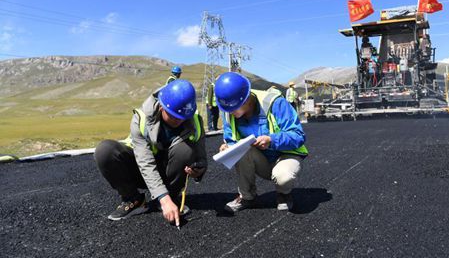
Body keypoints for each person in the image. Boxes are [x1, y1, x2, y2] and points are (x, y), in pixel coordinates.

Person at [94, 80, 207, 225]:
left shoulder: (195, 122)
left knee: (185, 150)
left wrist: (199, 171)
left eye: (182, 118)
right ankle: (134, 199)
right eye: (173, 116)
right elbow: (145, 162)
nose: (178, 121)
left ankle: (172, 197)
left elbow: (201, 158)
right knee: (105, 150)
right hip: (141, 170)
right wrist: (163, 198)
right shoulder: (141, 119)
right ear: (161, 106)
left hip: (170, 174)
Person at [214, 72, 308, 213]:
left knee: (284, 176)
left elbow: (298, 135)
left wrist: (271, 140)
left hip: (285, 156)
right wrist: (228, 147)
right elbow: (231, 139)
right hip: (261, 161)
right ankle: (247, 197)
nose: (230, 112)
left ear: (246, 99)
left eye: (233, 108)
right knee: (240, 151)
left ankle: (283, 194)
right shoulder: (228, 110)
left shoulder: (275, 103)